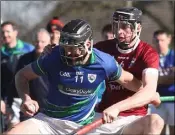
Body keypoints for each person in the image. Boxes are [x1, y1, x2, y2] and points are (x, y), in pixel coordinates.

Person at [4, 19, 159, 135]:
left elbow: (128, 81)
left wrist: (149, 94)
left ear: (88, 45)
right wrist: (27, 99)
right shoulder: (53, 57)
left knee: (155, 122)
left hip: (84, 126)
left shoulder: (104, 62)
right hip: (48, 121)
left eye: (74, 49)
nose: (69, 53)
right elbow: (22, 75)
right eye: (65, 48)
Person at [93, 7, 164, 134]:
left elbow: (149, 90)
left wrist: (117, 108)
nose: (120, 32)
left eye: (125, 26)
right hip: (104, 117)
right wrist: (52, 50)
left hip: (133, 120)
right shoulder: (102, 48)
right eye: (116, 26)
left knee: (156, 121)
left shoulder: (148, 53)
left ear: (138, 28)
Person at [1, 21, 35, 128]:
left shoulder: (28, 50)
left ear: (15, 32)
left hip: (28, 96)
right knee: (13, 127)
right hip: (9, 99)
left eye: (8, 31)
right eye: (2, 32)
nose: (5, 35)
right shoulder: (1, 53)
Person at [13, 28, 51, 122]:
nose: (39, 44)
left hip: (51, 108)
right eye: (37, 41)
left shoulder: (55, 60)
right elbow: (17, 80)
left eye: (43, 42)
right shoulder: (24, 60)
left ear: (49, 42)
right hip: (30, 108)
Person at [150, 30, 174, 135]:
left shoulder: (173, 56)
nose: (159, 43)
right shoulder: (150, 57)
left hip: (172, 99)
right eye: (157, 41)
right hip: (157, 100)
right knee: (158, 128)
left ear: (169, 40)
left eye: (162, 40)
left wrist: (156, 79)